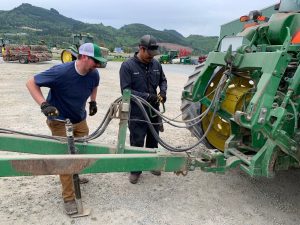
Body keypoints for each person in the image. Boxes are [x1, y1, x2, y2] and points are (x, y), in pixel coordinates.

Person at [26, 43, 107, 215]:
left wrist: (93, 101)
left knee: (82, 150)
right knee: (65, 158)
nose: (98, 65)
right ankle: (69, 197)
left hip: (80, 119)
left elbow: (95, 85)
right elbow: (31, 83)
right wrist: (44, 104)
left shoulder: (94, 74)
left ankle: (75, 174)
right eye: (95, 61)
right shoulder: (61, 72)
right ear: (84, 57)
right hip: (60, 121)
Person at [119, 34, 167, 184]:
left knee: (154, 139)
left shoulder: (156, 64)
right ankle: (135, 169)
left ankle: (152, 164)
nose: (151, 57)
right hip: (137, 112)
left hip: (154, 110)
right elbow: (126, 91)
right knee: (137, 140)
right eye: (149, 54)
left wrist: (163, 92)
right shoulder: (127, 66)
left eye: (154, 54)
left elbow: (163, 80)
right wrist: (147, 96)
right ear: (141, 48)